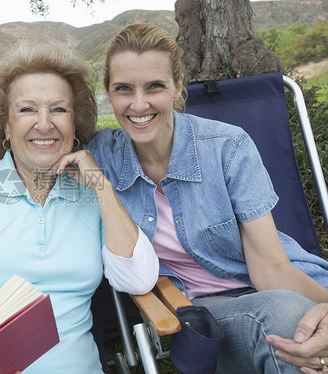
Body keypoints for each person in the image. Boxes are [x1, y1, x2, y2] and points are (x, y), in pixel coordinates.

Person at [80, 23, 328, 373]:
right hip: (212, 309)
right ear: (108, 92)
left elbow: (271, 269)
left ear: (179, 85)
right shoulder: (99, 158)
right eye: (123, 89)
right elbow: (23, 153)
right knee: (292, 325)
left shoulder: (228, 147)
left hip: (289, 283)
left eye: (155, 86)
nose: (139, 104)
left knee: (306, 326)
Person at [0, 43, 159, 374]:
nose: (44, 125)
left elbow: (139, 280)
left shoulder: (92, 194)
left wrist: (102, 189)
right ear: (5, 125)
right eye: (27, 110)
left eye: (59, 110)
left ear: (75, 123)